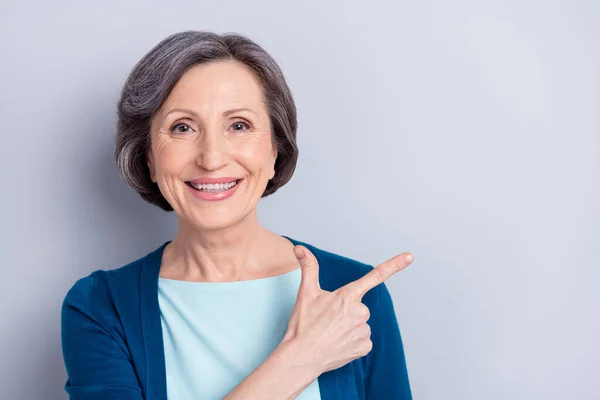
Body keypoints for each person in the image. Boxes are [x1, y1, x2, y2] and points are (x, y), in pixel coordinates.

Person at [61, 30, 414, 400]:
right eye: (182, 127)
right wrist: (301, 359)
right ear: (148, 157)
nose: (211, 158)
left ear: (275, 150)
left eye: (239, 126)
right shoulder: (101, 307)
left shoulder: (352, 294)